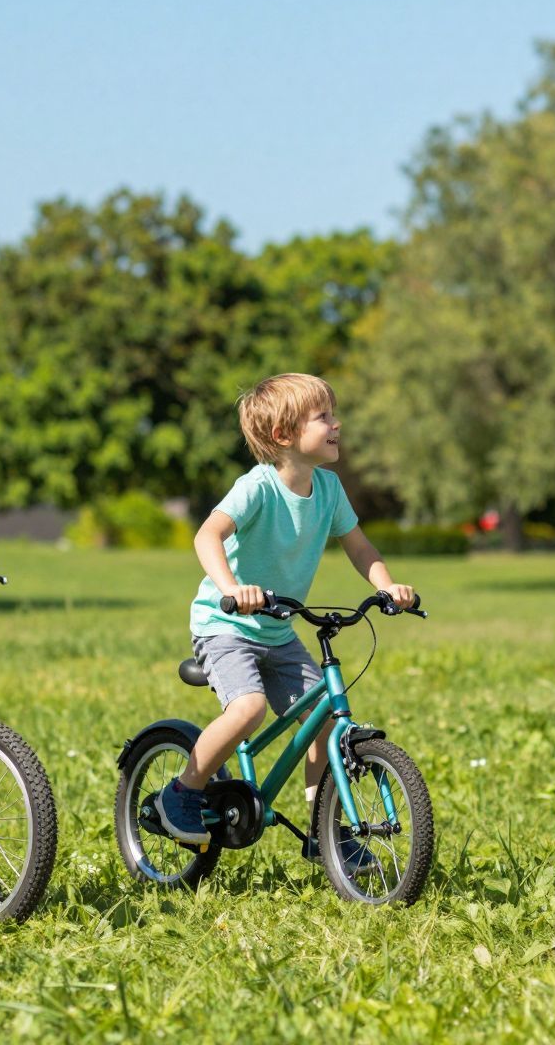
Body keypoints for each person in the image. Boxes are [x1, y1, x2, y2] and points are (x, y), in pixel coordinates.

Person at [158, 373, 414, 870]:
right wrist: (233, 589)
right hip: (225, 625)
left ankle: (326, 832)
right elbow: (206, 537)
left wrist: (386, 584)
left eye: (333, 414)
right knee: (249, 708)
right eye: (323, 417)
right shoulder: (258, 488)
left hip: (277, 628)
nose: (337, 424)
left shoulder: (330, 489)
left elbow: (359, 547)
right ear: (283, 436)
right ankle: (181, 792)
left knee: (324, 724)